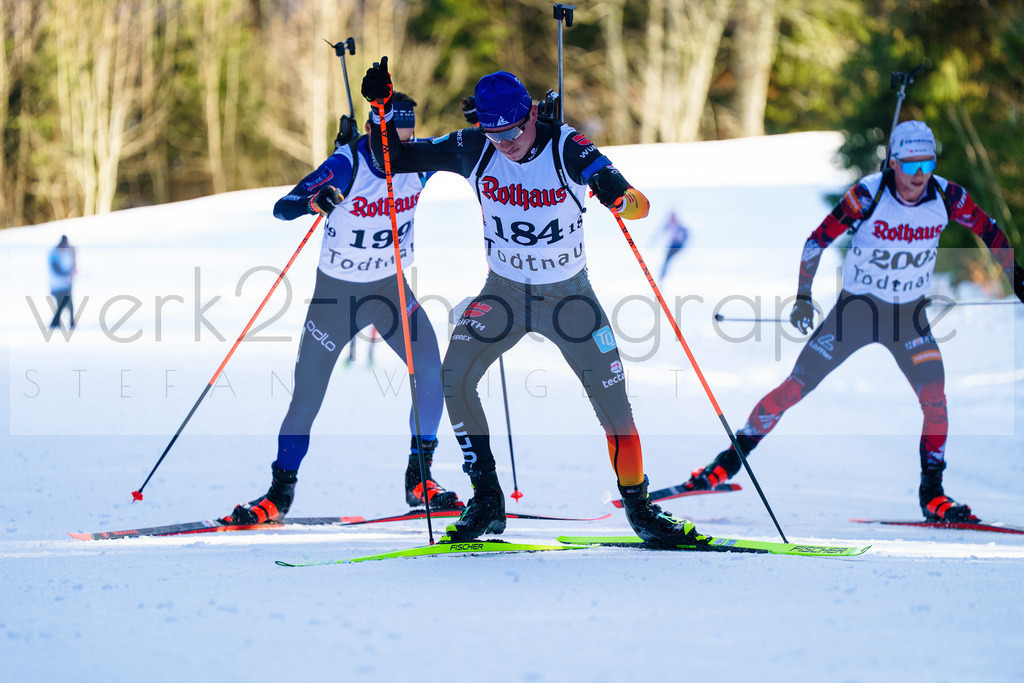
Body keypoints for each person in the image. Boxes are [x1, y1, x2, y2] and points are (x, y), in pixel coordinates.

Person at [361, 57, 708, 546]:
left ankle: (640, 507)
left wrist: (618, 194)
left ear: (530, 117)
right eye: (493, 132)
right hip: (503, 294)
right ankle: (486, 500)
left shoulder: (567, 146)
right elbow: (388, 161)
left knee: (613, 403)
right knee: (453, 375)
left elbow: (638, 205)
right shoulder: (472, 146)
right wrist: (380, 113)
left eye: (512, 132)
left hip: (569, 300)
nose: (505, 143)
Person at [683, 120, 1024, 522]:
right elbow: (817, 241)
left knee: (936, 403)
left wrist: (1015, 275)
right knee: (795, 388)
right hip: (856, 313)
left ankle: (933, 494)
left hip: (908, 318)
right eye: (910, 165)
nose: (919, 175)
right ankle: (725, 463)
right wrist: (804, 297)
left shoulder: (948, 196)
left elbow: (991, 230)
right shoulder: (867, 195)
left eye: (927, 164)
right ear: (893, 162)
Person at [231, 92, 461, 525]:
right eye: (397, 139)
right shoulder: (346, 163)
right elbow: (284, 208)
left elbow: (482, 147)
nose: (405, 151)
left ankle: (419, 479)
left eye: (411, 139)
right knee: (307, 395)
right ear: (377, 131)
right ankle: (280, 493)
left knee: (432, 371)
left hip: (390, 293)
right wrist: (314, 202)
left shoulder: (420, 161)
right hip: (335, 298)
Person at [48, 235, 77, 330]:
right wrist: (66, 274)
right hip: (57, 286)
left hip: (66, 284)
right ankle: (56, 323)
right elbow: (56, 269)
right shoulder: (54, 253)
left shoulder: (66, 252)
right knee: (62, 305)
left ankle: (62, 323)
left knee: (67, 305)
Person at [659, 211, 689, 280]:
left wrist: (683, 242)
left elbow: (686, 235)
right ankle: (662, 275)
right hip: (673, 244)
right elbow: (662, 231)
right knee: (667, 259)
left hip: (678, 245)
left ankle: (663, 275)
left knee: (668, 259)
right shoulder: (670, 224)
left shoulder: (680, 226)